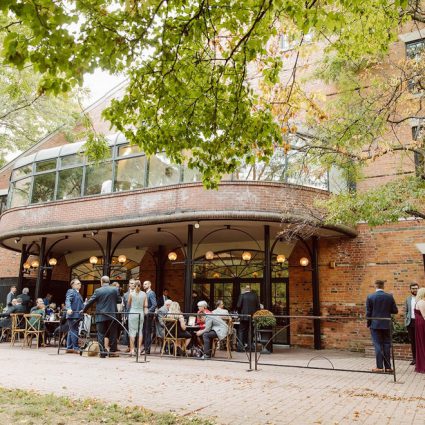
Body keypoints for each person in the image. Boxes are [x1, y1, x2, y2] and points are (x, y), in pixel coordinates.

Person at [83, 276, 121, 358]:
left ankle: (102, 352)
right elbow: (119, 300)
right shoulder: (115, 289)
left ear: (101, 281)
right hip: (112, 315)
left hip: (100, 315)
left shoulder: (98, 290)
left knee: (101, 334)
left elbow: (90, 301)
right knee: (113, 334)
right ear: (109, 281)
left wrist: (83, 310)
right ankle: (112, 352)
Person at [366, 279, 398, 373]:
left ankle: (379, 367)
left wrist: (368, 323)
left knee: (378, 345)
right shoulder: (389, 297)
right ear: (383, 286)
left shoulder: (370, 297)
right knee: (387, 344)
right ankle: (388, 367)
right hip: (386, 324)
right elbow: (395, 311)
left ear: (375, 286)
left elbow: (368, 313)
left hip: (375, 324)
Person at [237, 285, 260, 351]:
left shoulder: (242, 295)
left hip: (244, 316)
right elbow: (258, 306)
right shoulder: (255, 296)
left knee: (241, 331)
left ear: (245, 289)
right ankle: (250, 347)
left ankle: (240, 347)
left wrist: (240, 314)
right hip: (252, 316)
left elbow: (238, 306)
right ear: (250, 289)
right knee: (251, 331)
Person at [64, 279, 84, 354]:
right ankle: (75, 348)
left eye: (80, 283)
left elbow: (79, 305)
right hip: (72, 315)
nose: (80, 285)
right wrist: (68, 308)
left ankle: (69, 348)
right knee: (74, 331)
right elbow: (68, 300)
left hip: (77, 314)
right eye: (78, 283)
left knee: (71, 331)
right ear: (73, 285)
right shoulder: (71, 291)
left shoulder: (78, 293)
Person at [128, 280, 147, 356]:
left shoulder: (131, 294)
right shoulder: (144, 294)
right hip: (141, 313)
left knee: (132, 331)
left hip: (133, 313)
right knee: (140, 331)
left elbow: (128, 304)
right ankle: (139, 350)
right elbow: (146, 305)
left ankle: (132, 350)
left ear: (134, 285)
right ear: (140, 285)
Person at [405, 282, 419, 365]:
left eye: (416, 288)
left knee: (420, 341)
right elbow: (406, 311)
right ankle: (414, 359)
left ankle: (421, 358)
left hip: (420, 322)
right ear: (410, 289)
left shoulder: (421, 298)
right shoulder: (408, 299)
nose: (414, 290)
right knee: (413, 341)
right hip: (411, 322)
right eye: (413, 288)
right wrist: (406, 320)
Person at [142, 280, 157, 354]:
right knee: (145, 332)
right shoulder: (145, 293)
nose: (144, 285)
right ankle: (145, 347)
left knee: (147, 332)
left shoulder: (151, 293)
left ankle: (147, 349)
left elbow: (154, 304)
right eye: (143, 284)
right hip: (145, 315)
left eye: (145, 284)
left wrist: (148, 311)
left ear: (150, 285)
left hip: (148, 315)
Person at [414, 287, 425, 374]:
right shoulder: (421, 302)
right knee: (423, 343)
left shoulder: (419, 301)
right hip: (422, 324)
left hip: (419, 324)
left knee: (422, 343)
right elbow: (424, 315)